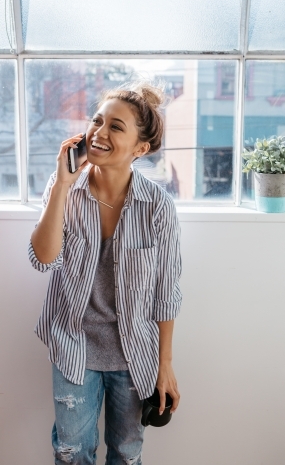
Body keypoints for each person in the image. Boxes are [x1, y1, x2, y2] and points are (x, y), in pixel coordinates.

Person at [28, 81, 183, 465]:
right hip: (73, 347)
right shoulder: (66, 188)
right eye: (97, 120)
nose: (99, 132)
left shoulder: (157, 207)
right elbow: (42, 259)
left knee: (127, 454)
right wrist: (64, 183)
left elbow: (166, 293)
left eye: (116, 126)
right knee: (72, 453)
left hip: (135, 357)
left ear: (140, 148)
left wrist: (165, 367)